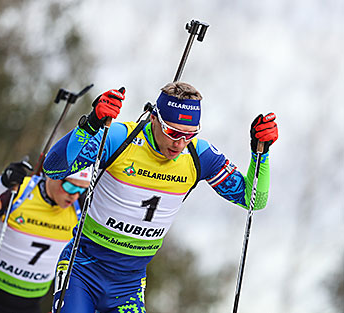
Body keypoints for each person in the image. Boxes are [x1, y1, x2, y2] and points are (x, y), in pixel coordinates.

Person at [42, 82, 278, 312]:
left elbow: (253, 200)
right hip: (83, 271)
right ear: (154, 118)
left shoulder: (198, 155)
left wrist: (261, 152)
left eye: (189, 134)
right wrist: (90, 126)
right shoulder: (119, 138)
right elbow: (53, 168)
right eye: (172, 132)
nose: (179, 143)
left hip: (128, 286)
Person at [0, 161, 92, 313]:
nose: (74, 196)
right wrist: (0, 184)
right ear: (53, 175)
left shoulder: (81, 208)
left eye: (82, 189)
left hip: (30, 305)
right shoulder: (19, 190)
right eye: (70, 187)